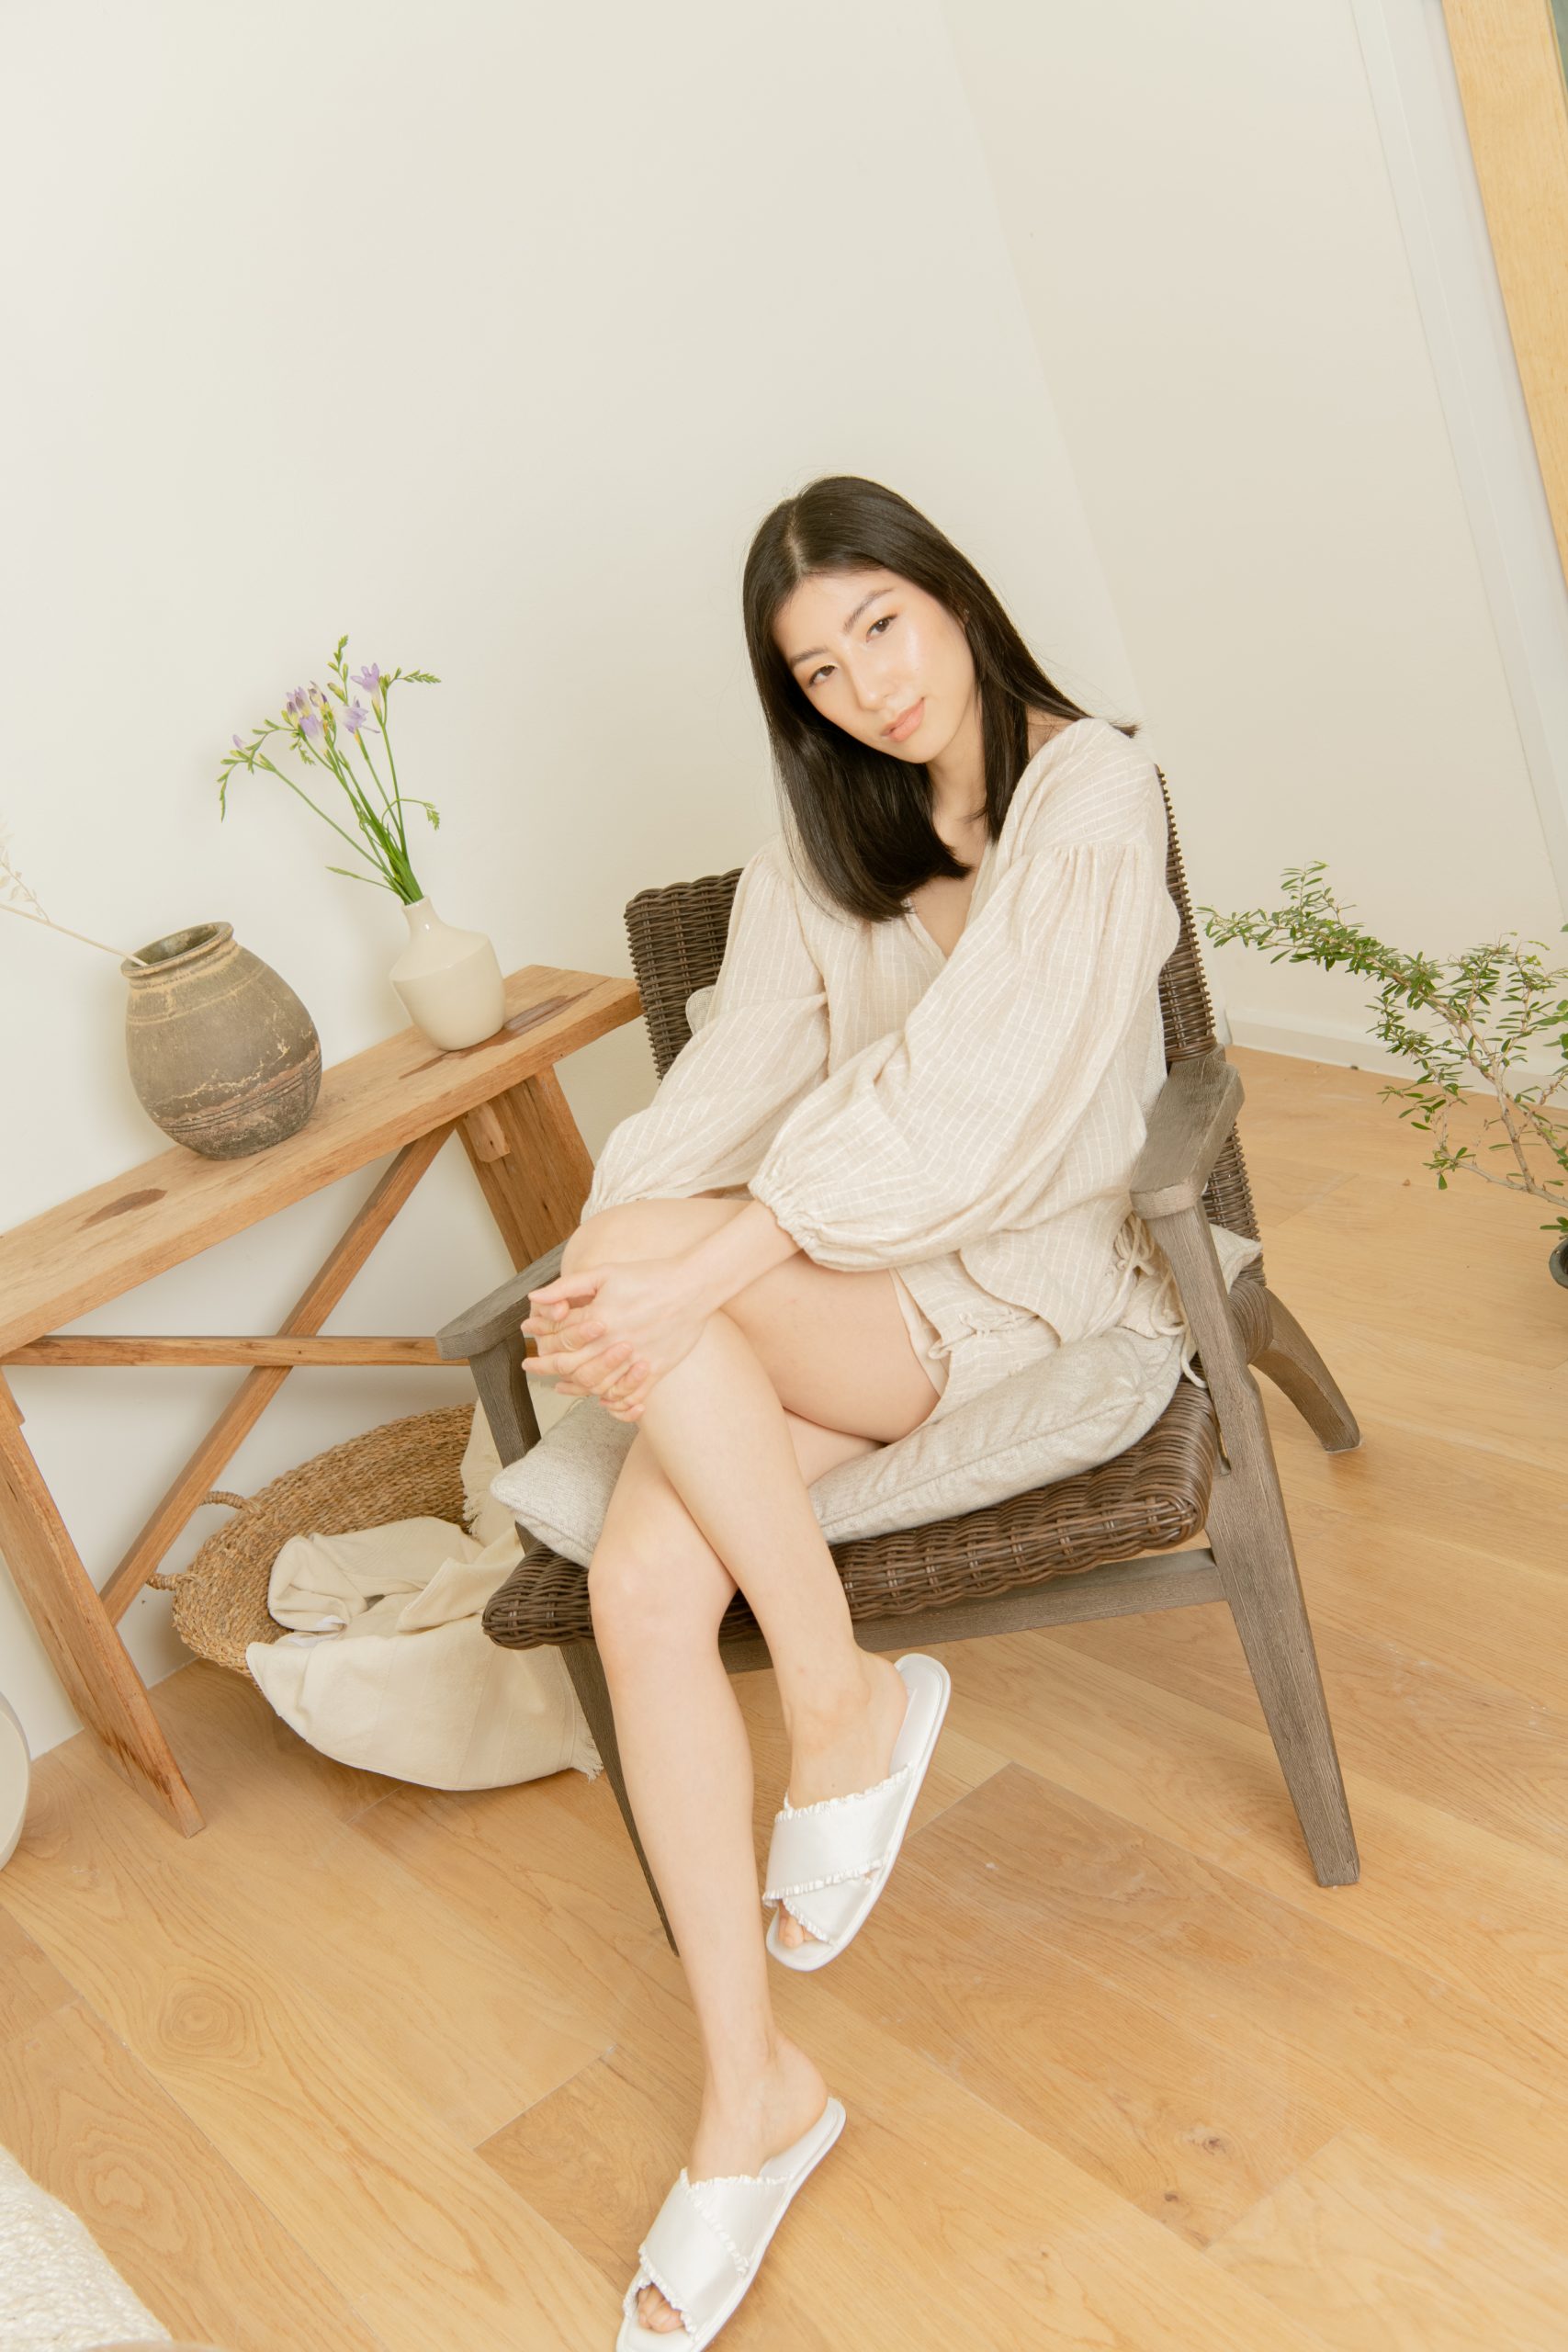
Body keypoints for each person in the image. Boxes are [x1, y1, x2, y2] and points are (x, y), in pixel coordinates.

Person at [519, 474, 1192, 2346]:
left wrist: (686, 1273)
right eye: (817, 670)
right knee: (637, 1587)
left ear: (949, 595)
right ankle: (750, 2095)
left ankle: (837, 1694)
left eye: (879, 626)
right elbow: (727, 1081)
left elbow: (981, 1115)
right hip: (831, 1299)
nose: (866, 687)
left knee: (659, 1270)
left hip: (1016, 1282)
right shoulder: (818, 845)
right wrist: (610, 1271)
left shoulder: (1089, 793)